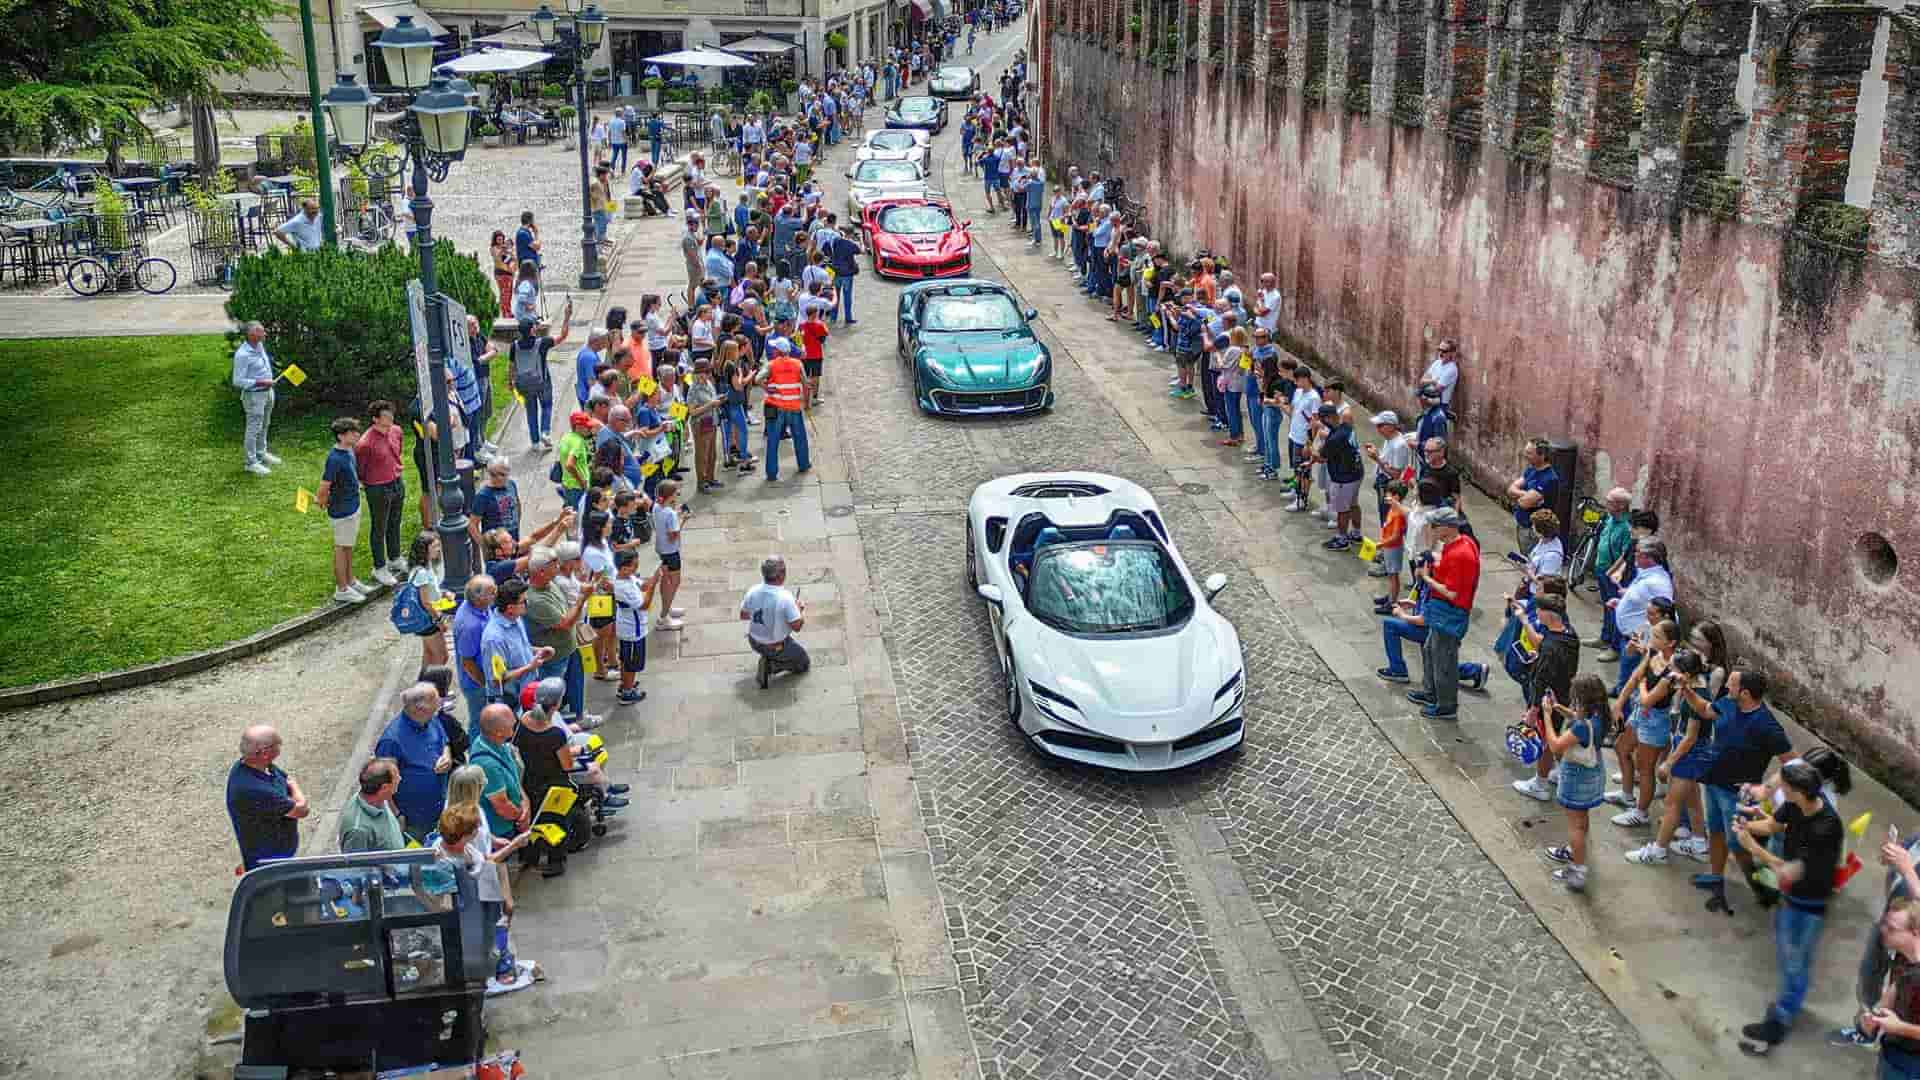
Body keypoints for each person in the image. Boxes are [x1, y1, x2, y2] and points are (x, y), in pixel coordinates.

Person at [1733, 760, 1846, 1051]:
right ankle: (1791, 1000)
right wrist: (1747, 825)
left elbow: (1789, 870)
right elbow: (1773, 824)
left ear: (1797, 791)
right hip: (1792, 896)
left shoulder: (1827, 827)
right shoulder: (1796, 806)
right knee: (1791, 958)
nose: (1778, 789)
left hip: (1809, 904)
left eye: (1784, 786)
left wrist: (1752, 846)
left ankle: (1780, 1020)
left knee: (1794, 960)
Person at [1692, 669, 1795, 914]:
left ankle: (1761, 888)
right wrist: (1686, 691)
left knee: (1739, 846)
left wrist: (1765, 789)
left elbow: (1793, 764)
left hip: (1737, 796)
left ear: (1745, 693)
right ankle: (1716, 877)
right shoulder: (1728, 703)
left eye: (1731, 686)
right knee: (1715, 831)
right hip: (1715, 783)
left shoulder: (1767, 726)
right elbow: (1706, 710)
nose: (1727, 689)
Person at [1537, 673, 1609, 892]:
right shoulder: (1601, 715)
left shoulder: (1580, 727)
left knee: (1574, 826)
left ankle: (1577, 869)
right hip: (1594, 773)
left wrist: (1548, 716)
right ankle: (1575, 854)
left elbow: (1557, 745)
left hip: (1577, 777)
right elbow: (1581, 721)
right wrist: (1560, 708)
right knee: (1582, 818)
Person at [1408, 508, 1477, 720]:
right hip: (1441, 610)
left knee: (1443, 661)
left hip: (1450, 613)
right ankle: (1430, 693)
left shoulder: (1460, 554)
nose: (1431, 529)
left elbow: (1452, 592)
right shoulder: (1458, 543)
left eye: (1435, 526)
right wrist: (1434, 558)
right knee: (1430, 650)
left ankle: (1446, 706)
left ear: (1447, 527)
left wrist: (1426, 577)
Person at [375, 682, 453, 840]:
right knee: (417, 860)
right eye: (435, 702)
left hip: (440, 809)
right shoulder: (391, 741)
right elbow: (382, 784)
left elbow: (444, 742)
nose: (439, 705)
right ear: (420, 709)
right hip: (414, 821)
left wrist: (447, 756)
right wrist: (396, 815)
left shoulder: (431, 719)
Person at [524, 547, 592, 724]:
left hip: (569, 648)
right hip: (555, 658)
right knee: (554, 697)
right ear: (541, 571)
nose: (558, 568)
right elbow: (564, 623)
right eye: (554, 566)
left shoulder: (551, 583)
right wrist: (582, 599)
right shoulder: (536, 600)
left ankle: (578, 718)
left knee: (576, 687)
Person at [227, 725, 308, 871]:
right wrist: (296, 789)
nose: (280, 746)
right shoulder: (255, 790)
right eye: (277, 744)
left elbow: (283, 778)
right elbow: (302, 810)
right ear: (264, 753)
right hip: (271, 862)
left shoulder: (256, 765)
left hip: (277, 852)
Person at [316, 416, 371, 603]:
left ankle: (351, 581)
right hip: (342, 511)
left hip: (352, 505)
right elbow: (324, 486)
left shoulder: (349, 451)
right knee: (341, 548)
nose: (357, 435)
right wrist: (322, 499)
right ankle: (341, 589)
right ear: (340, 436)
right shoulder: (334, 458)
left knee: (348, 547)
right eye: (352, 433)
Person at [356, 400, 408, 586]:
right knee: (379, 526)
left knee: (395, 521)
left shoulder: (396, 431)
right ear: (375, 419)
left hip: (395, 481)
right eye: (385, 416)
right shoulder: (365, 444)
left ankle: (394, 557)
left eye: (391, 415)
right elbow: (360, 469)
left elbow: (398, 450)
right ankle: (379, 567)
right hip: (377, 487)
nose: (390, 418)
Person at [510, 302, 572, 451]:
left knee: (531, 411)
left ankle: (535, 442)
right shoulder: (542, 343)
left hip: (524, 384)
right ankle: (545, 432)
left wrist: (511, 382)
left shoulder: (514, 346)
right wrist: (566, 317)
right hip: (542, 381)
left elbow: (512, 366)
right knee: (547, 406)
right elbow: (563, 336)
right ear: (532, 330)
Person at [742, 555, 809, 689]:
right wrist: (799, 610)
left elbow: (744, 615)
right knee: (803, 663)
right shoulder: (785, 598)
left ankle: (769, 658)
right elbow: (797, 626)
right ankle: (770, 666)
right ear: (782, 575)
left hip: (754, 641)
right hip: (775, 646)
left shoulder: (752, 591)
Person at [482, 579, 552, 707]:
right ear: (510, 608)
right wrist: (530, 667)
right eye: (523, 602)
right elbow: (498, 680)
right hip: (510, 701)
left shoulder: (516, 618)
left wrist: (538, 650)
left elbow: (520, 647)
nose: (527, 604)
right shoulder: (494, 638)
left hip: (527, 691)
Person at [758, 337, 812, 480]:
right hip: (794, 406)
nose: (772, 350)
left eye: (774, 348)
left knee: (773, 441)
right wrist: (807, 405)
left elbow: (757, 379)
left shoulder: (771, 365)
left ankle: (771, 473)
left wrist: (766, 388)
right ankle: (804, 464)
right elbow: (806, 385)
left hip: (776, 407)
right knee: (799, 437)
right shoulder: (798, 364)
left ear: (778, 351)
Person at [232, 321, 280, 477]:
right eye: (261, 331)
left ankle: (261, 452)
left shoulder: (259, 346)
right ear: (252, 335)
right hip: (254, 396)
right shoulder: (242, 355)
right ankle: (250, 463)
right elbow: (238, 381)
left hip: (268, 392)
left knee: (265, 423)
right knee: (253, 428)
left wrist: (268, 384)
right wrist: (260, 382)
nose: (265, 334)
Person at [453, 575, 497, 728]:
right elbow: (468, 662)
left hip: (486, 674)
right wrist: (485, 684)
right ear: (478, 599)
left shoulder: (479, 606)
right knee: (479, 722)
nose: (495, 595)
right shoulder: (470, 626)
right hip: (476, 684)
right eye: (492, 593)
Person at [337, 758, 406, 853]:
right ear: (384, 787)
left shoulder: (378, 797)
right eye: (396, 777)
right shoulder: (358, 831)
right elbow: (356, 866)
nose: (400, 778)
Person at [403, 531, 450, 669]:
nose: (438, 549)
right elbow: (426, 603)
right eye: (435, 546)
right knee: (442, 656)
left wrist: (443, 594)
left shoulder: (424, 567)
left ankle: (423, 685)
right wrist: (440, 622)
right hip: (429, 621)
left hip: (426, 620)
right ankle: (437, 689)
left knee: (429, 655)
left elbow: (429, 593)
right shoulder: (422, 573)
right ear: (425, 550)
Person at [1506, 438, 1560, 556]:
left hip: (1535, 531)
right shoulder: (1531, 470)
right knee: (1526, 558)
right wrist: (1528, 494)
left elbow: (1523, 503)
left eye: (1529, 453)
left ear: (1542, 455)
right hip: (1523, 525)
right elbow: (1510, 490)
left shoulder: (1549, 479)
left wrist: (1521, 495)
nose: (1525, 455)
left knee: (1532, 560)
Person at [651, 479, 691, 631]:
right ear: (671, 496)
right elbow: (673, 535)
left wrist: (676, 512)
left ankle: (667, 608)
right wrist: (683, 520)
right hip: (671, 552)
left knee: (665, 581)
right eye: (676, 492)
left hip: (661, 549)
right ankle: (663, 617)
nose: (678, 494)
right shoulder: (670, 514)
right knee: (673, 583)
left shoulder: (657, 507)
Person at [491, 230, 516, 318]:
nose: (500, 241)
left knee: (509, 293)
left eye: (501, 239)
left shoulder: (506, 248)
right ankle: (504, 312)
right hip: (500, 273)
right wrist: (503, 250)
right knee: (504, 293)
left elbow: (513, 258)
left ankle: (508, 310)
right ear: (495, 240)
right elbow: (497, 258)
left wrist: (509, 251)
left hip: (509, 272)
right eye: (498, 239)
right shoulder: (494, 248)